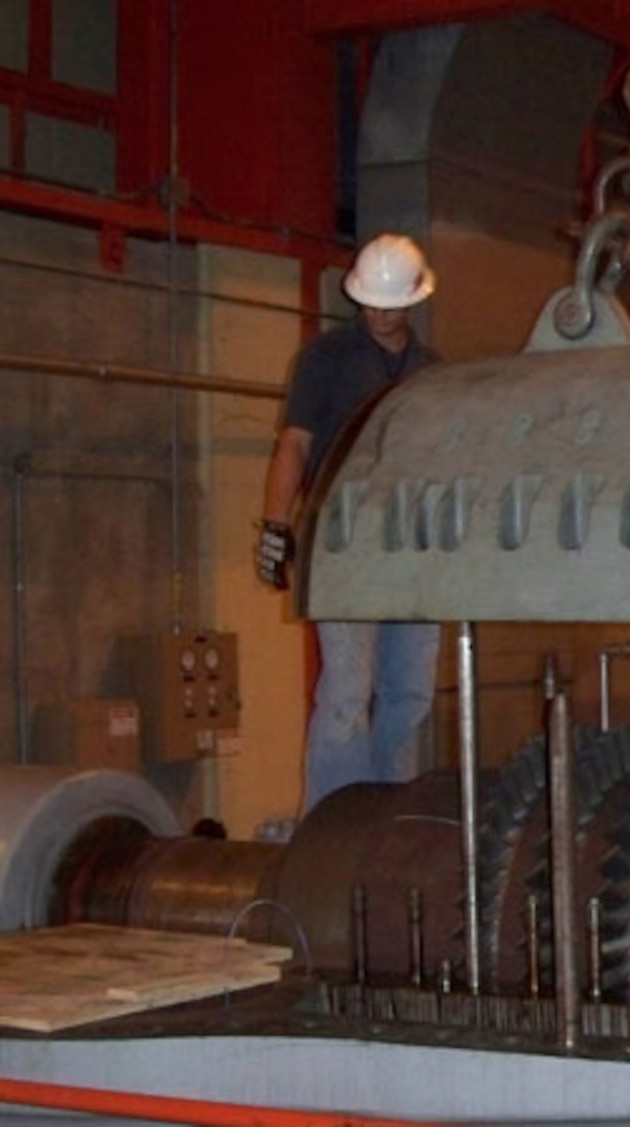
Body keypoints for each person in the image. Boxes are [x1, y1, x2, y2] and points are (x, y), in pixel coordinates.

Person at [256, 233, 444, 813]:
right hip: (342, 544)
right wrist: (275, 527)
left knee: (409, 694)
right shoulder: (326, 359)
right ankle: (334, 824)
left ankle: (389, 816)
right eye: (370, 302)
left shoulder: (432, 371)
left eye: (390, 304)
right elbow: (294, 445)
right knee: (345, 691)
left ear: (413, 299)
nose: (379, 313)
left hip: (410, 549)